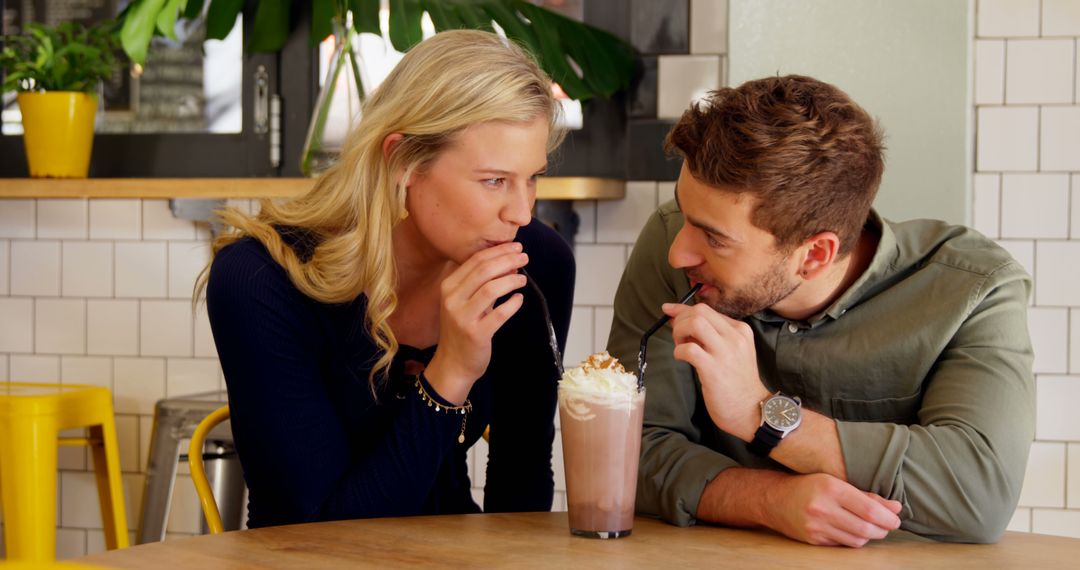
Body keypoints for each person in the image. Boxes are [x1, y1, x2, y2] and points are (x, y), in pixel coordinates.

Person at [607, 75, 1034, 546]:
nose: (678, 253)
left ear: (814, 255)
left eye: (714, 238)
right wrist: (769, 501)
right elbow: (626, 453)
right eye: (684, 214)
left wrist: (759, 413)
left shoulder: (974, 289)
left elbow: (978, 495)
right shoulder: (676, 249)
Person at [201, 30, 574, 528]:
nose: (523, 212)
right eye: (494, 181)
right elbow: (316, 532)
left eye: (533, 178)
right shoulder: (261, 280)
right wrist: (451, 375)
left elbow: (521, 486)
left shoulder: (535, 263)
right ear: (403, 161)